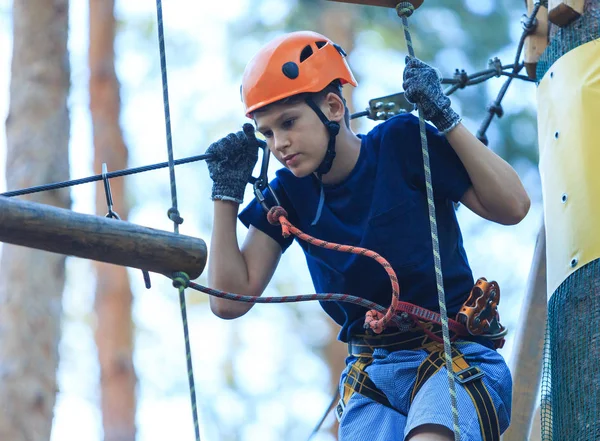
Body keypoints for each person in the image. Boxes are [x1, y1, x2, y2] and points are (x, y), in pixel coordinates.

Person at [206, 30, 530, 441]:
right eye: (267, 133)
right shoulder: (287, 194)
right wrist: (225, 195)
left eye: (288, 123)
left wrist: (444, 118)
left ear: (333, 106)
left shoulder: (401, 144)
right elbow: (228, 301)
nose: (279, 144)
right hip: (372, 377)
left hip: (454, 359)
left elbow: (513, 207)